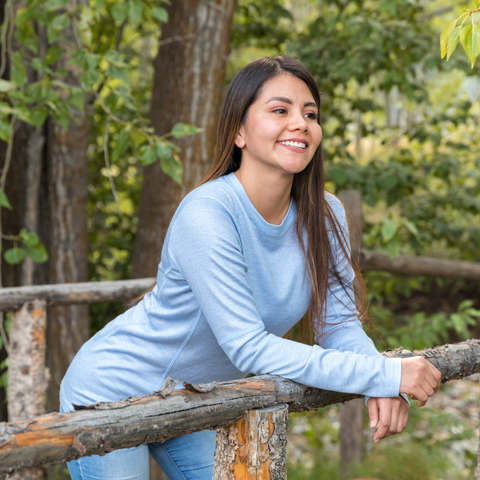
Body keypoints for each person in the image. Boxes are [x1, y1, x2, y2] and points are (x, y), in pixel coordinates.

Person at [60, 56, 441, 480]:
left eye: (310, 114)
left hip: (196, 398)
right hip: (109, 393)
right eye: (280, 110)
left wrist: (381, 380)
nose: (300, 123)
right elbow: (248, 346)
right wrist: (383, 372)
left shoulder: (325, 213)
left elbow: (338, 324)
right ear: (239, 130)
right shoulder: (206, 213)